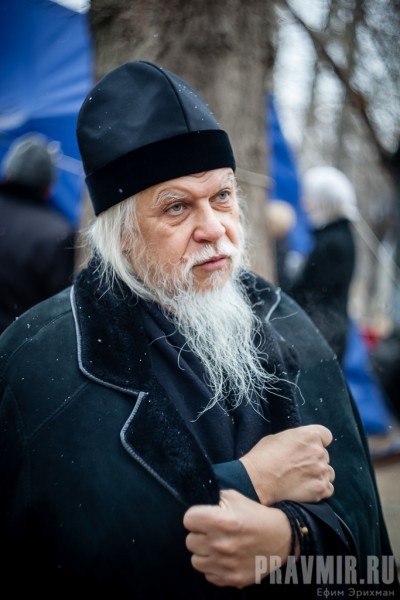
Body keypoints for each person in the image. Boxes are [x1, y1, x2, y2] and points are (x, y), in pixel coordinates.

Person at [0, 61, 398, 598]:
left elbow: (364, 541)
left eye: (222, 196)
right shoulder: (37, 357)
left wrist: (293, 538)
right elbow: (77, 552)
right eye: (177, 207)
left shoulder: (283, 316)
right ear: (121, 234)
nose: (214, 228)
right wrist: (249, 481)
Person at [0, 133, 76, 333]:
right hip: (17, 343)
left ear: (8, 175)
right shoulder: (57, 233)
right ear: (48, 188)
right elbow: (60, 309)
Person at [288, 166, 358, 366]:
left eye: (309, 197)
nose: (304, 203)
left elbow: (313, 292)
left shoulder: (333, 241)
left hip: (323, 334)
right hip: (326, 331)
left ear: (325, 200)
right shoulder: (335, 235)